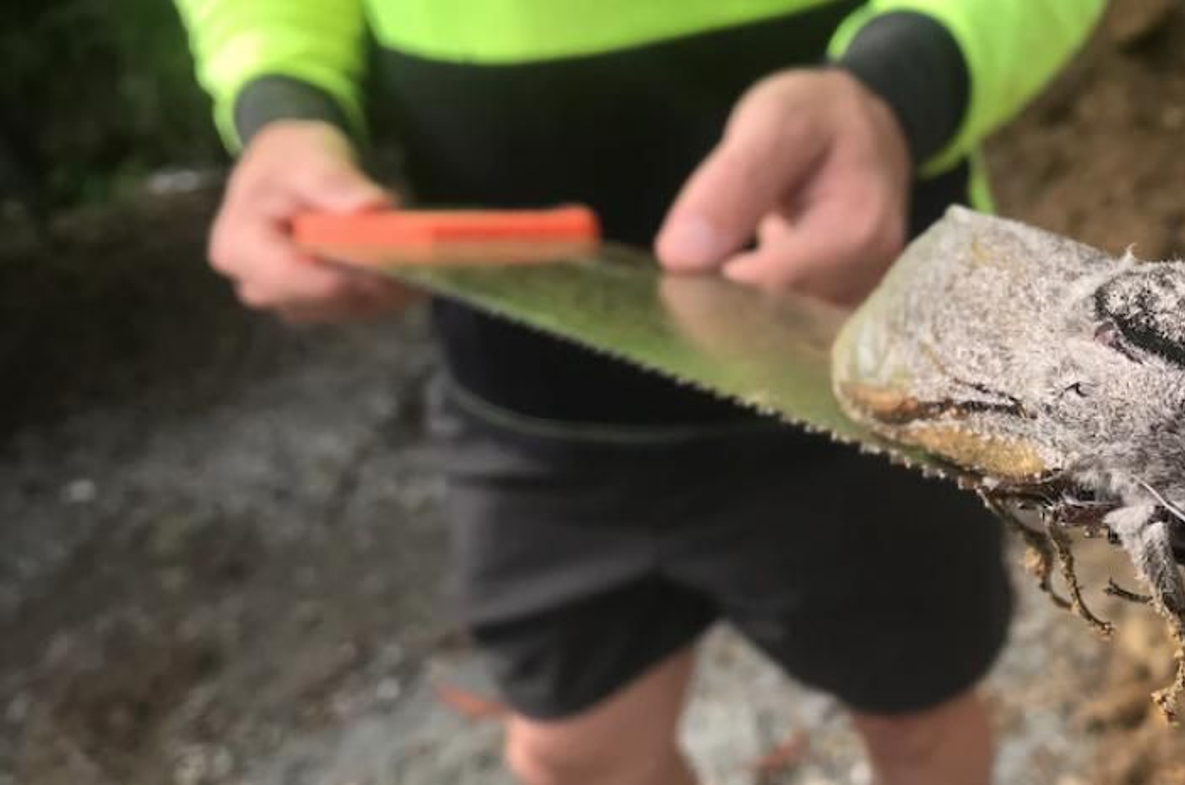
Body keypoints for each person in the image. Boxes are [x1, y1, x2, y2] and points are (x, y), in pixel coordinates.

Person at [172, 2, 1105, 783]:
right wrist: (283, 105)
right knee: (574, 755)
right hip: (524, 396)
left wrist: (899, 86)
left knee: (920, 717)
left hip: (860, 365)